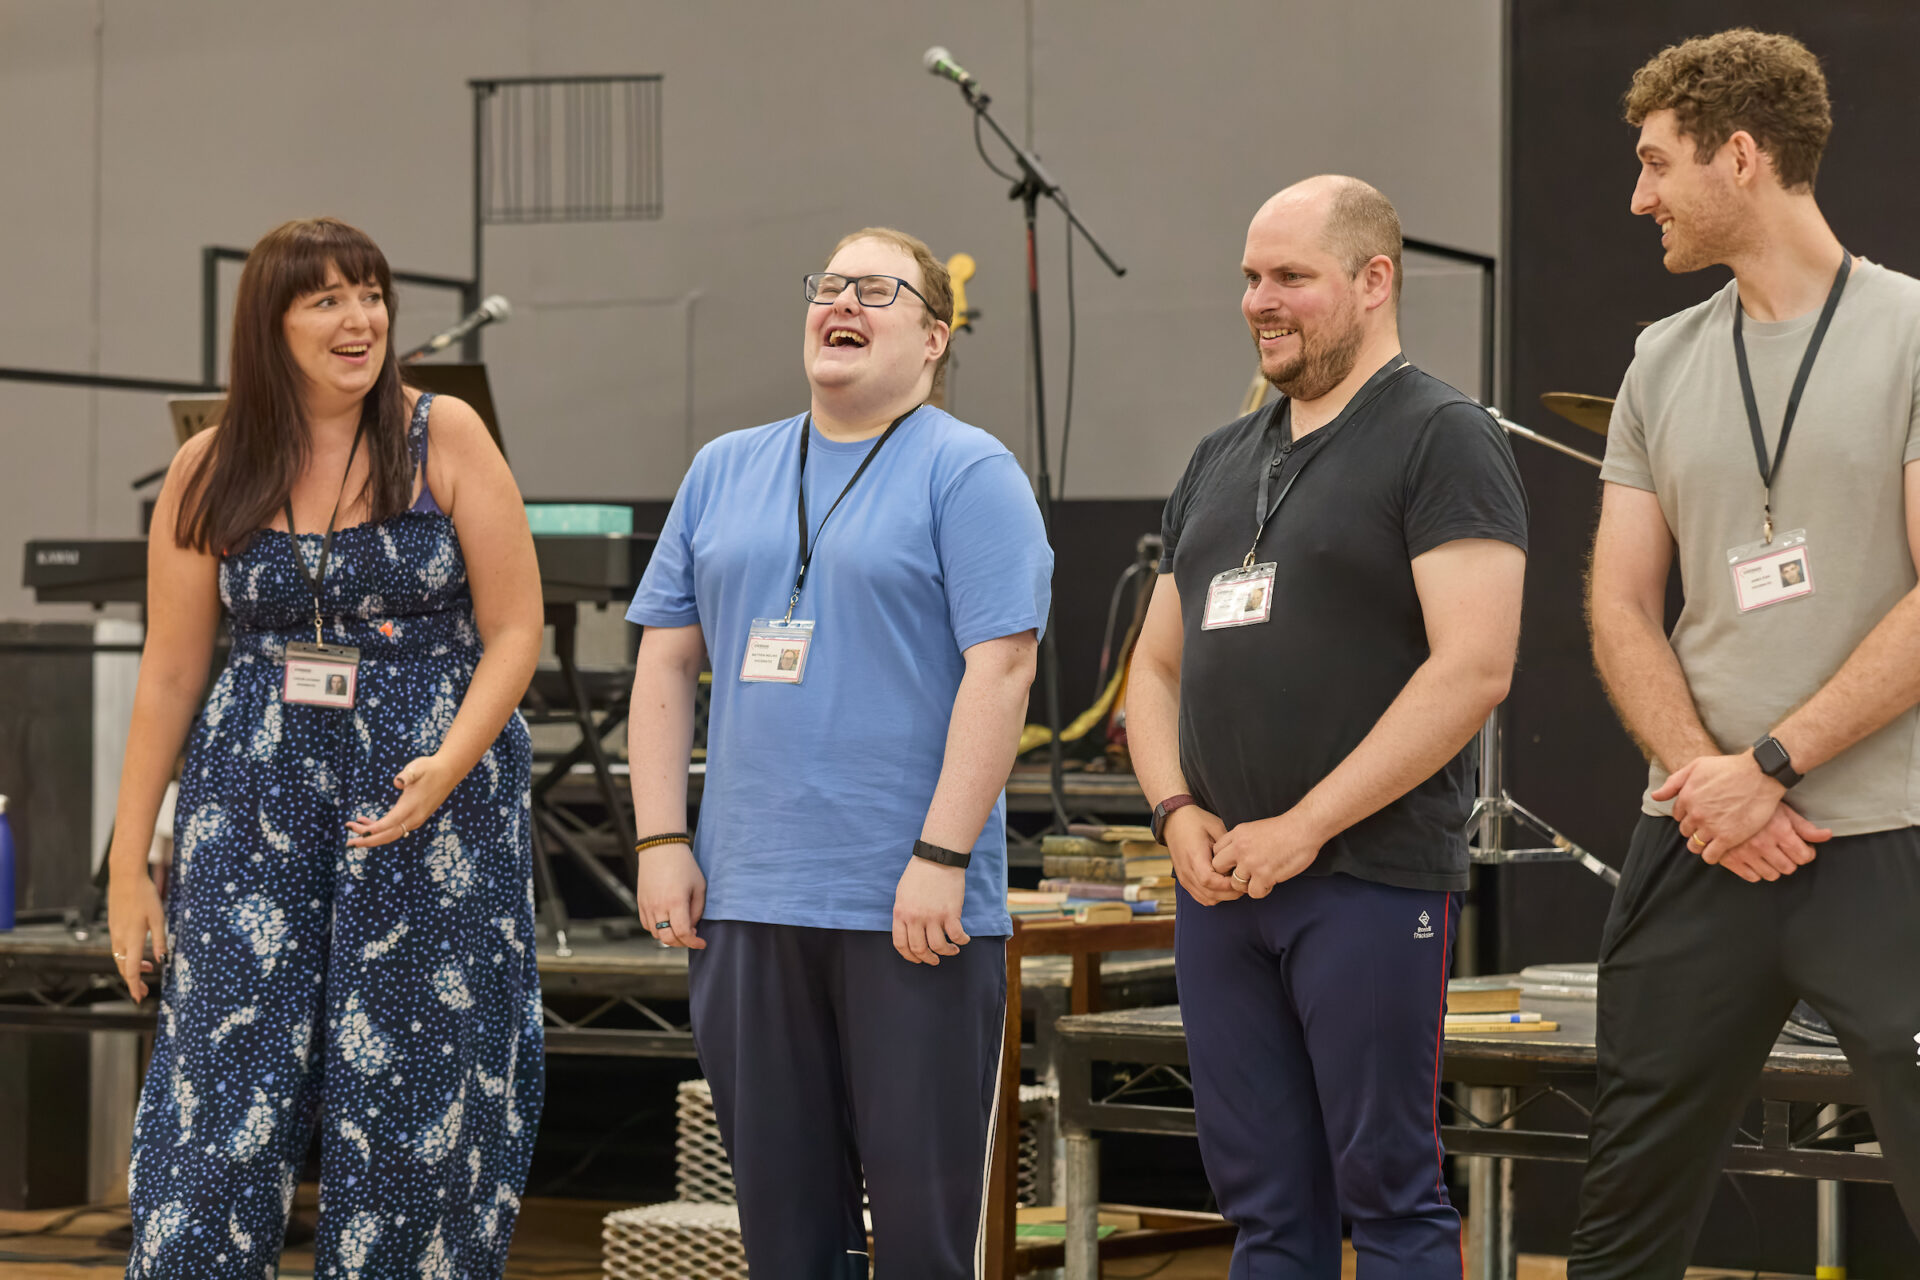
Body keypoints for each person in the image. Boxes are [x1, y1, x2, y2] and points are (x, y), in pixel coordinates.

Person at [107, 217, 546, 1278]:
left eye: (371, 294)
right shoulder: (209, 466)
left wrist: (449, 760)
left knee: (413, 1087)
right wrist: (128, 864)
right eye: (328, 300)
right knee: (218, 1088)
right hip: (251, 792)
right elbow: (168, 674)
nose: (361, 319)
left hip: (424, 798)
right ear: (271, 322)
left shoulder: (444, 435)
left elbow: (517, 627)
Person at [625, 226, 1051, 1277]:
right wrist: (659, 837)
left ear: (933, 338)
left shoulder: (970, 469)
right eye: (828, 285)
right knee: (785, 1237)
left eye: (877, 288)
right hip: (748, 898)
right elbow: (665, 668)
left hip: (911, 906)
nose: (842, 303)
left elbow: (1003, 673)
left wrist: (943, 856)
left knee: (921, 1241)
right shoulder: (724, 468)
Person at [1126, 175, 1528, 1276]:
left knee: (1388, 1193)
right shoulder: (1220, 456)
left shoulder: (1441, 435)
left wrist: (1304, 823)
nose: (1261, 298)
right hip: (1220, 885)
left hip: (1368, 876)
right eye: (1251, 276)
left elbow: (1474, 667)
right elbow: (1151, 671)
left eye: (1291, 276)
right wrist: (1174, 813)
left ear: (1374, 280)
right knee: (1263, 1204)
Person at [1575, 29, 1920, 1273]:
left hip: (1884, 836)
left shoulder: (1914, 333)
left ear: (1740, 154)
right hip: (1700, 835)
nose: (1639, 196)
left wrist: (1769, 761)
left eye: (1658, 163)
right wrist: (1707, 776)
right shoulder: (1660, 359)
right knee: (1626, 1209)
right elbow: (1620, 601)